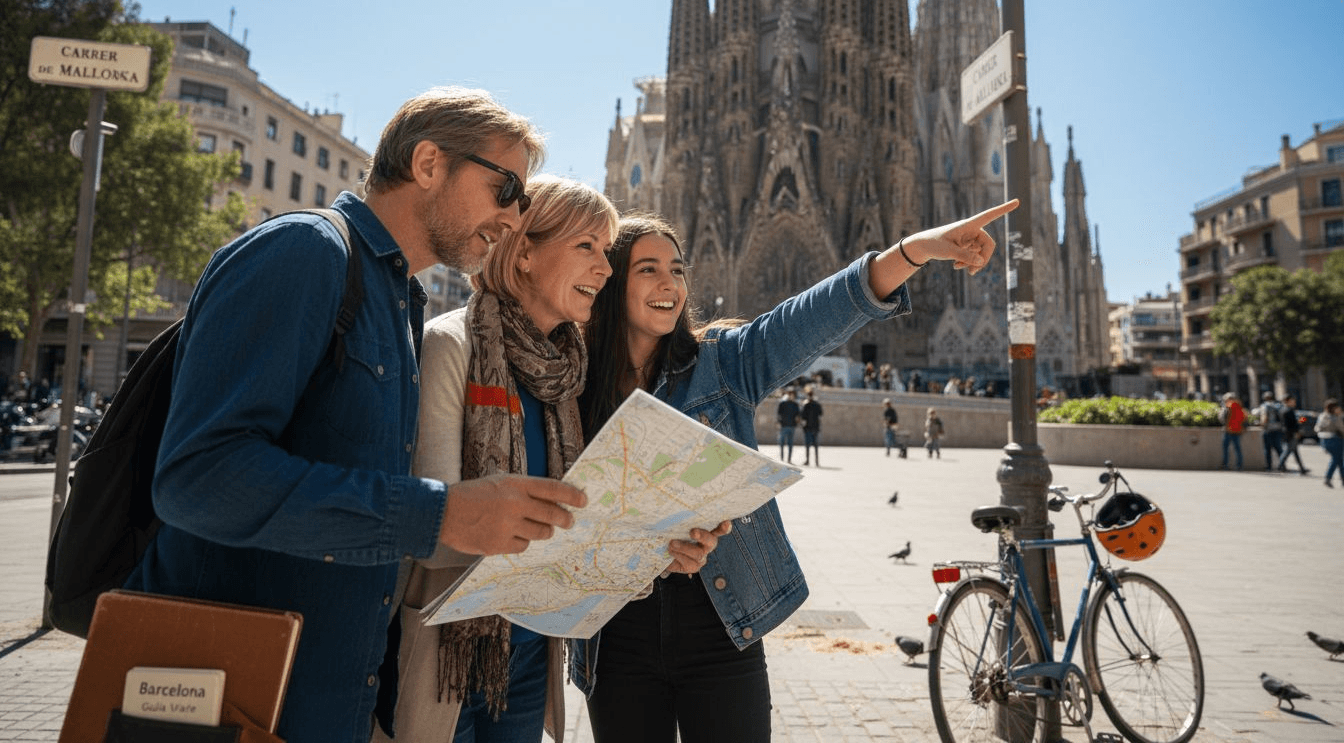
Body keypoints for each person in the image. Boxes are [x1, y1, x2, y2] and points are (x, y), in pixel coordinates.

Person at [125, 88, 592, 743]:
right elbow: (199, 479)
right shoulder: (305, 252)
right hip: (226, 699)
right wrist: (443, 514)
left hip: (329, 704)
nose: (515, 217)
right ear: (429, 162)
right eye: (506, 187)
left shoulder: (398, 299)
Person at [572, 199, 1016, 743]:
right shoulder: (573, 385)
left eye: (678, 269)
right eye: (649, 269)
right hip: (616, 636)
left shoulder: (723, 363)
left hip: (721, 624)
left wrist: (917, 250)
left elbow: (811, 318)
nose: (670, 283)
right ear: (613, 283)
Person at [381, 176, 723, 743]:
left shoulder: (566, 370)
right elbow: (432, 530)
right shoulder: (452, 346)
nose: (606, 270)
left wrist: (653, 552)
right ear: (524, 255)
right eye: (587, 247)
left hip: (530, 654)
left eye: (607, 252)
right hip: (450, 650)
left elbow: (585, 525)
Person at [1276, 394, 1309, 475]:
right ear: (1288, 401)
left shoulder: (1282, 410)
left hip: (1285, 432)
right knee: (1288, 450)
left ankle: (1302, 468)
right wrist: (1298, 427)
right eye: (1292, 401)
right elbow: (1293, 424)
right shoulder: (1289, 411)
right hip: (1291, 433)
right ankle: (1280, 465)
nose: (1294, 403)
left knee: (1294, 451)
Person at [1317, 398, 1344, 488]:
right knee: (1336, 460)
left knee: (1339, 460)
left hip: (1324, 440)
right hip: (1335, 440)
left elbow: (1316, 428)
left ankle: (1342, 480)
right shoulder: (1335, 418)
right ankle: (1327, 478)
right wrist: (1339, 416)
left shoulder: (1322, 416)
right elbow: (1342, 429)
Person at [1256, 391, 1285, 472]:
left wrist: (1261, 424)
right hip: (1278, 429)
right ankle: (1282, 465)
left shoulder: (1265, 406)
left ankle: (1269, 467)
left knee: (1267, 449)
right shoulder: (1278, 406)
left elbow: (1264, 418)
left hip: (1268, 430)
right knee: (1279, 448)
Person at [1218, 392, 1246, 471]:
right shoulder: (1240, 407)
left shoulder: (1227, 406)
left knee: (1226, 449)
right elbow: (1244, 418)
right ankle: (1239, 465)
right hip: (1237, 430)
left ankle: (1225, 465)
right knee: (1237, 449)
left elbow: (1222, 418)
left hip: (1228, 430)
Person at [800, 386, 824, 466]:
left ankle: (808, 461)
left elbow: (803, 416)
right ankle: (816, 461)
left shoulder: (806, 405)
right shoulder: (816, 404)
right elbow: (821, 413)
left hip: (808, 428)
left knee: (808, 445)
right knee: (815, 445)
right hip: (815, 427)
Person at [776, 388, 800, 463]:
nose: (791, 396)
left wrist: (797, 420)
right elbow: (778, 414)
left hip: (792, 426)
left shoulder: (795, 405)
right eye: (790, 394)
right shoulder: (782, 404)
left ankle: (789, 459)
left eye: (793, 395)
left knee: (790, 443)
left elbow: (798, 415)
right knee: (782, 442)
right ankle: (782, 459)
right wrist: (778, 422)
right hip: (783, 426)